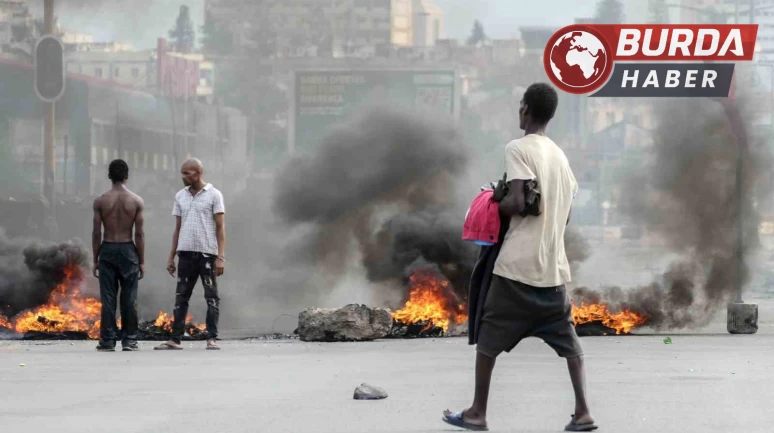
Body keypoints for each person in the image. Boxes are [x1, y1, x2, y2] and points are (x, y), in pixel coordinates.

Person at [442, 83, 597, 432]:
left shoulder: (518, 148)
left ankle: (477, 413)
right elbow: (565, 214)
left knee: (487, 338)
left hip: (515, 269)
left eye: (520, 107)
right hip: (553, 272)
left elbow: (515, 203)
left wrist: (492, 199)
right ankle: (583, 411)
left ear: (525, 109)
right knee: (569, 343)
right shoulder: (560, 157)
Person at [154, 158, 226, 351]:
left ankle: (212, 338)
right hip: (185, 254)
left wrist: (220, 256)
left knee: (211, 297)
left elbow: (220, 228)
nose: (183, 177)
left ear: (198, 173)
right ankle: (175, 339)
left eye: (187, 173)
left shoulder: (214, 195)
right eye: (182, 173)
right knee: (181, 297)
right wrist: (171, 256)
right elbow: (177, 229)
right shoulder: (180, 196)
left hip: (207, 254)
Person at [92, 159, 145, 352]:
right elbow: (139, 234)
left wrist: (95, 259)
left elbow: (96, 233)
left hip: (107, 249)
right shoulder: (136, 201)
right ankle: (129, 340)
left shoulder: (100, 201)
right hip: (128, 250)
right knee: (129, 298)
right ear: (126, 176)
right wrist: (142, 261)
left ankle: (107, 340)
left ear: (109, 176)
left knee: (108, 298)